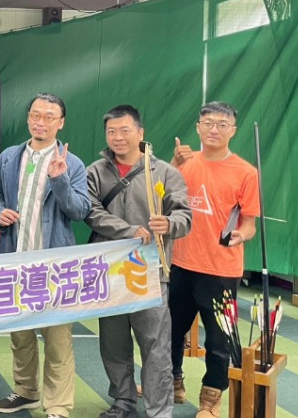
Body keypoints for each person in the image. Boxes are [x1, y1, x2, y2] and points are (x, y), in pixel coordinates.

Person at [0, 93, 90, 418]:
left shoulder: (72, 164)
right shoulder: (9, 157)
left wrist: (59, 179)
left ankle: (58, 405)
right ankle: (26, 392)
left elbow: (79, 210)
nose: (40, 122)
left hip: (54, 267)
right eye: (35, 115)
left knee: (58, 339)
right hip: (15, 263)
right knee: (20, 335)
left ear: (61, 123)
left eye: (48, 117)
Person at [84, 105, 192, 418]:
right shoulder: (95, 172)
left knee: (155, 345)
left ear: (140, 133)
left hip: (151, 271)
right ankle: (123, 402)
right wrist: (128, 230)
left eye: (125, 130)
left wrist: (169, 224)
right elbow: (91, 212)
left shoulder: (165, 172)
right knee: (113, 343)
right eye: (111, 132)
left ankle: (159, 410)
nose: (117, 137)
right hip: (110, 271)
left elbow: (185, 215)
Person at [169, 102, 259, 418]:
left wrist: (240, 235)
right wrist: (172, 163)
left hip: (221, 271)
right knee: (168, 331)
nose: (214, 129)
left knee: (219, 340)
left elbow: (249, 224)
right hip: (180, 264)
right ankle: (172, 382)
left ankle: (211, 399)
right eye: (208, 123)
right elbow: (159, 196)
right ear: (198, 127)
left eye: (222, 124)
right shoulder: (185, 163)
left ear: (233, 130)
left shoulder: (246, 172)